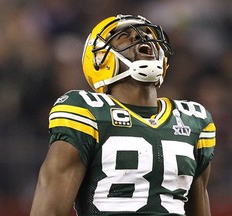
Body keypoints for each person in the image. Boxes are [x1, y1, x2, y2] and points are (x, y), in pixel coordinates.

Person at [30, 14, 216, 216]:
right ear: (100, 59)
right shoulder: (86, 112)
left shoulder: (193, 120)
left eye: (146, 34)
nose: (142, 38)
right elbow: (49, 209)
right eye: (125, 36)